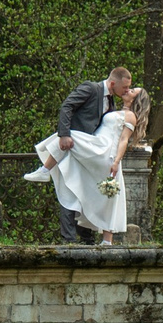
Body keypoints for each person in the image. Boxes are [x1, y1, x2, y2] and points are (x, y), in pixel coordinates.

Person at [28, 84, 150, 243]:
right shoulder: (115, 108)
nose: (128, 90)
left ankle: (45, 170)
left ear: (136, 100)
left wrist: (116, 161)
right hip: (96, 144)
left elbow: (123, 140)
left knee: (69, 136)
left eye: (132, 91)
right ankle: (105, 240)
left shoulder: (130, 116)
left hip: (105, 149)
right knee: (105, 193)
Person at [40, 67, 132, 243]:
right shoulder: (91, 88)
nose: (127, 90)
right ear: (113, 83)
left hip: (92, 153)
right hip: (75, 147)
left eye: (129, 88)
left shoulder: (112, 102)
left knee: (88, 194)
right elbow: (67, 106)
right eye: (125, 87)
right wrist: (64, 134)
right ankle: (68, 240)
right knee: (69, 192)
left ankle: (87, 238)